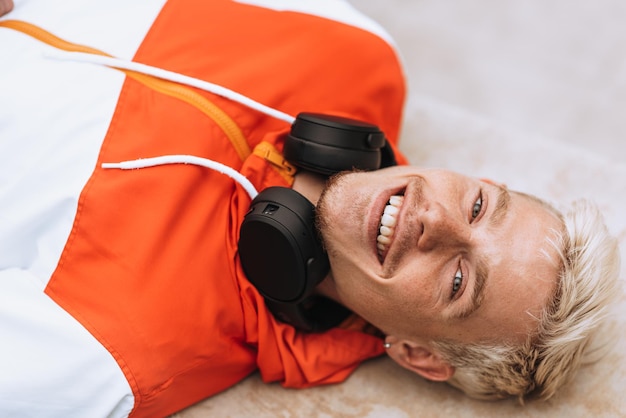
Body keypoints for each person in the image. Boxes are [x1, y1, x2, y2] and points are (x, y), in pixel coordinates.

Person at [0, 0, 620, 417]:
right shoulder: (359, 49)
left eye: (459, 281)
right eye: (481, 206)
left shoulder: (117, 355)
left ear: (418, 354)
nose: (440, 219)